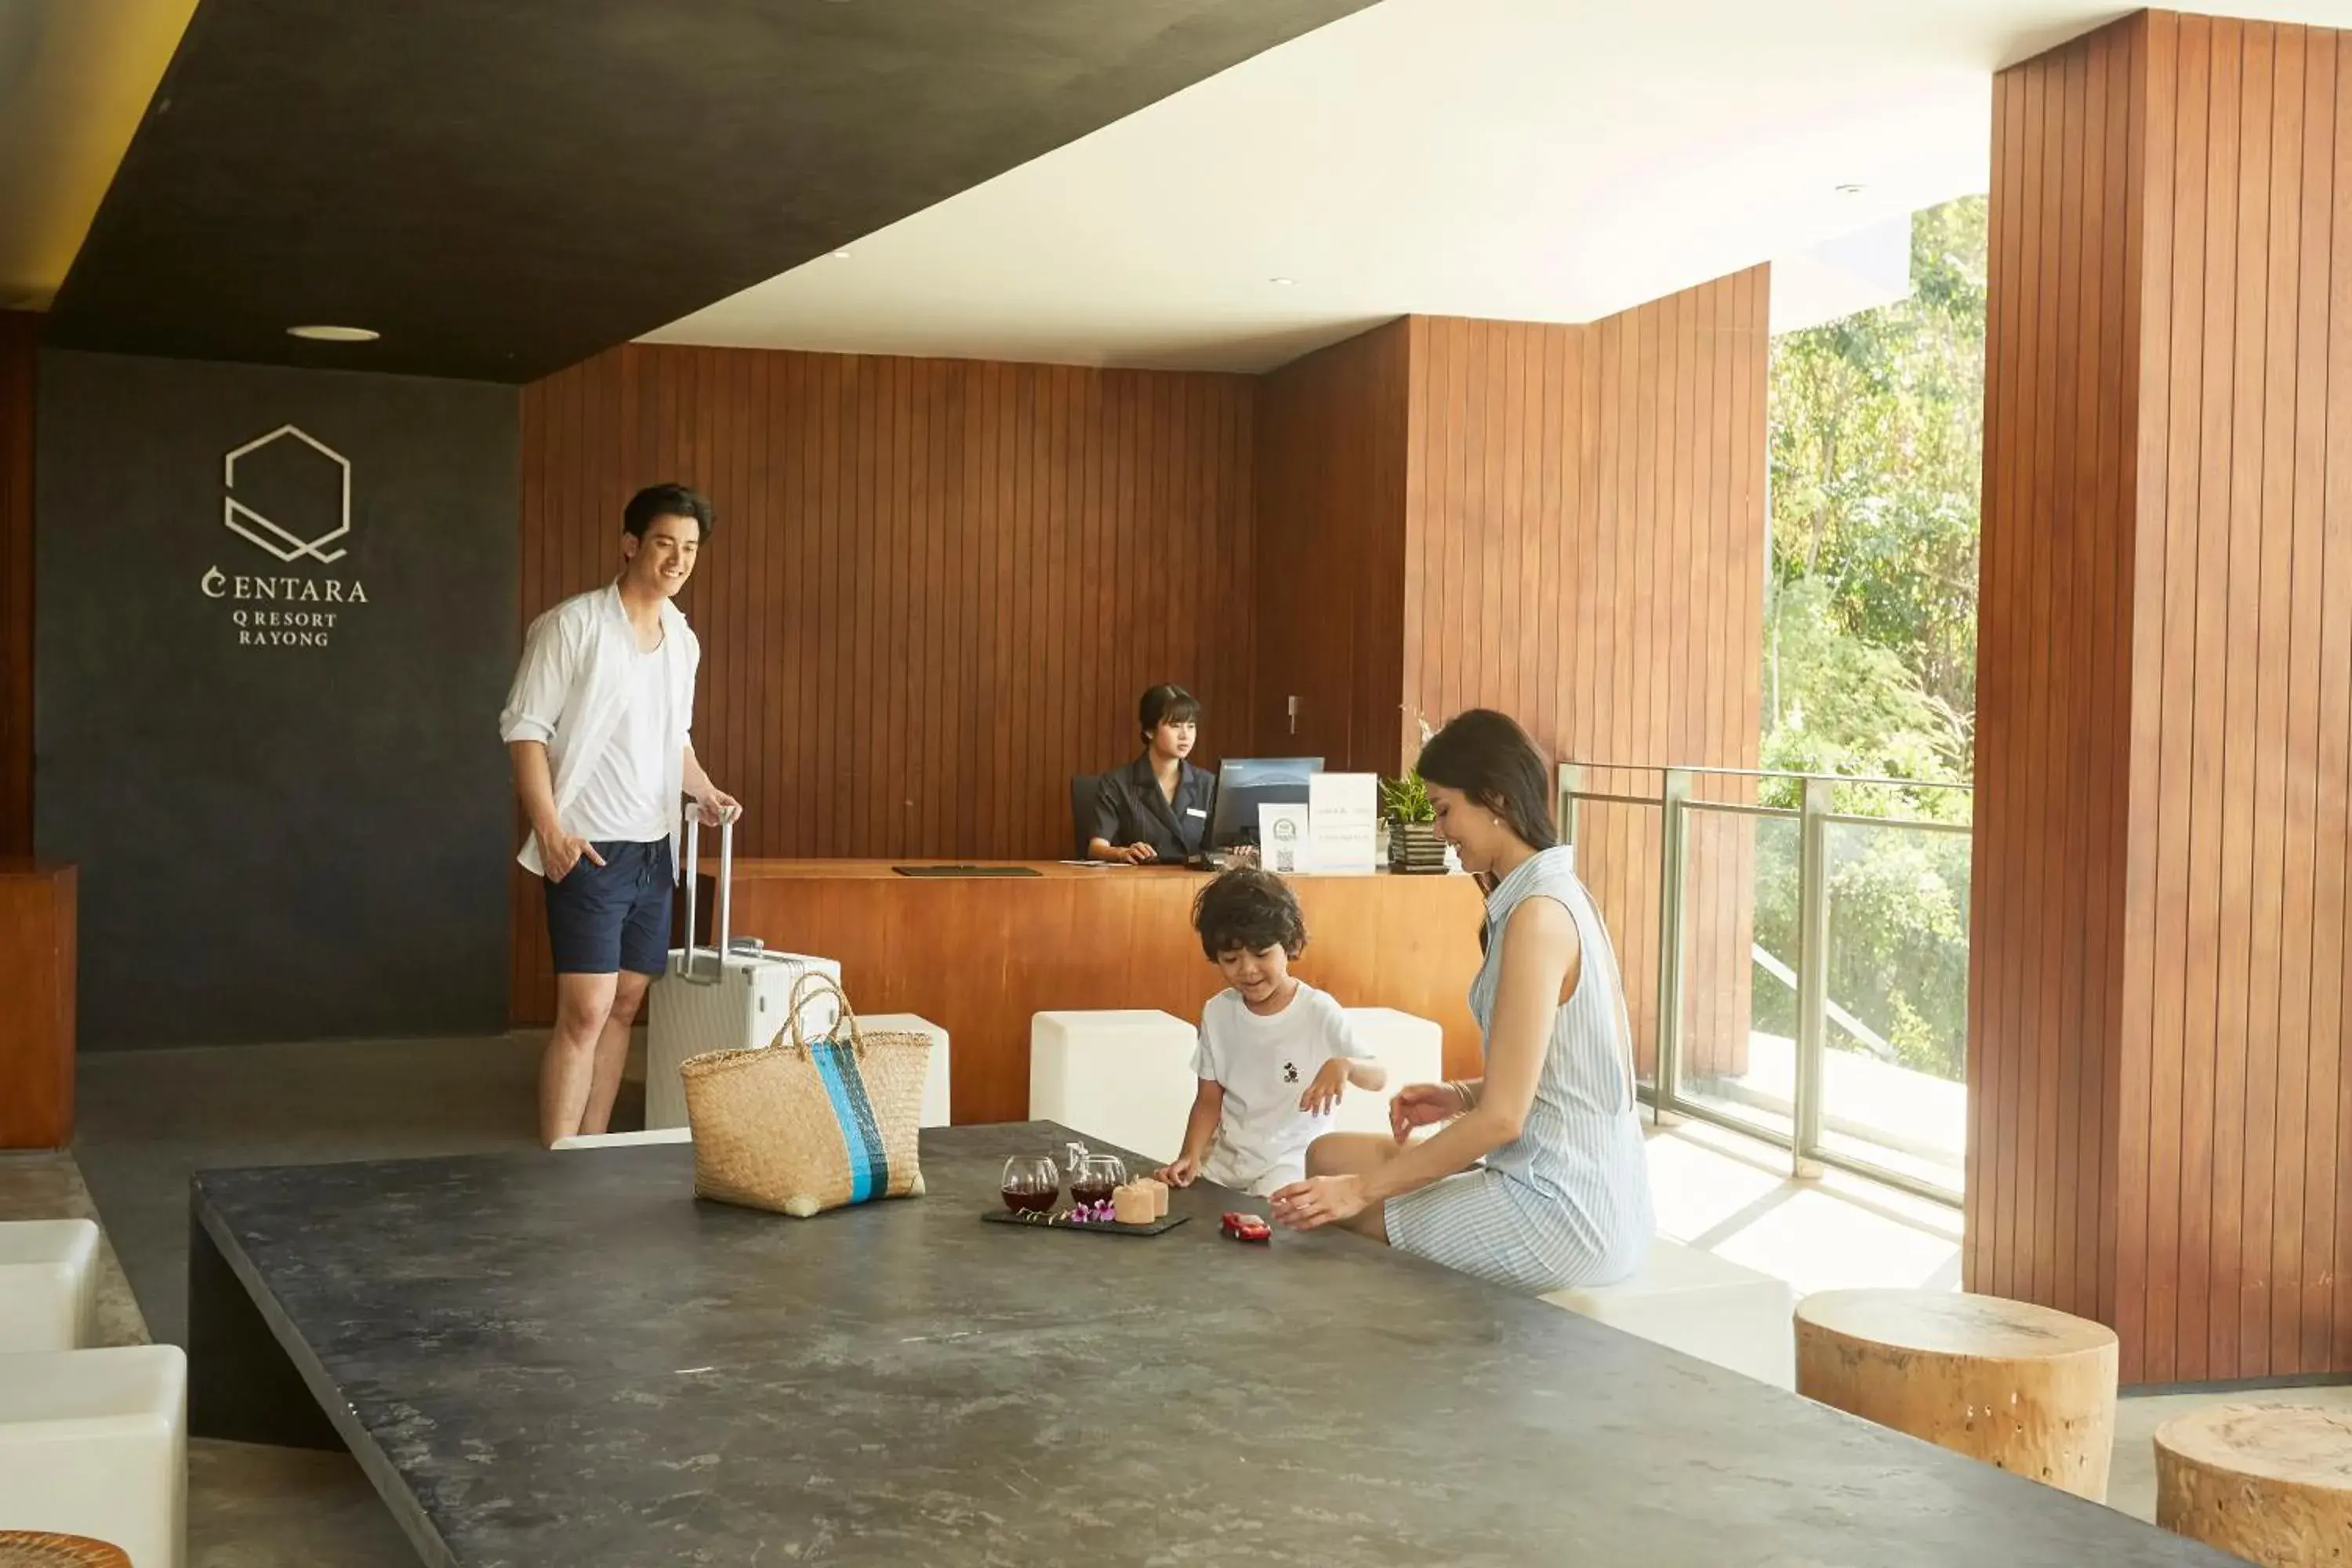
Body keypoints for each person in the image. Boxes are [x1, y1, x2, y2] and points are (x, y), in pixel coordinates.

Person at [1268, 709, 1652, 1294]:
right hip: (1570, 1186)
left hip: (1566, 1213)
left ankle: (1405, 1373)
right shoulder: (1549, 895)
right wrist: (1458, 1095)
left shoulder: (1539, 917)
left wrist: (1361, 1193)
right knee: (1326, 1156)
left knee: (1337, 1209)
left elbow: (1503, 1119)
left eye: (1445, 810)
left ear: (1494, 799)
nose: (1440, 831)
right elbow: (1560, 1075)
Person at [499, 483, 741, 1149]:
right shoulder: (570, 626)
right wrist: (549, 829)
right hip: (588, 846)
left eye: (690, 548)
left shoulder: (682, 638)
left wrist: (705, 790)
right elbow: (524, 731)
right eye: (665, 543)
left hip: (653, 851)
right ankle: (556, 1158)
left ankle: (593, 1151)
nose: (678, 559)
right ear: (631, 544)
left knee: (625, 1007)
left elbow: (675, 740)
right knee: (585, 1013)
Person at [1155, 868, 1386, 1197]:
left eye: (1262, 954)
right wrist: (1189, 1156)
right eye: (1231, 959)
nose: (1247, 970)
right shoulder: (1218, 1011)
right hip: (1227, 1163)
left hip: (1290, 1164)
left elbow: (1378, 1078)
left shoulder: (1316, 1010)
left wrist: (1345, 1065)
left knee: (1265, 1219)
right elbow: (1209, 1100)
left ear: (1289, 944)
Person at [1087, 683, 1215, 863]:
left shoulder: (1207, 784)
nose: (1185, 735)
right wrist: (1122, 853)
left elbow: (1219, 848)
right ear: (1149, 731)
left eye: (1191, 726)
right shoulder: (1117, 783)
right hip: (1136, 884)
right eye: (1175, 725)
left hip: (1193, 885)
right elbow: (1097, 847)